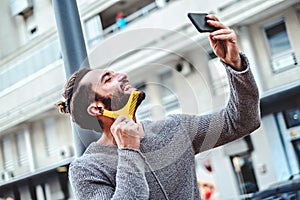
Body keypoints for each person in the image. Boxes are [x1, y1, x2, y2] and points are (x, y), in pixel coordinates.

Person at [56, 15, 261, 199]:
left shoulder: (174, 127)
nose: (122, 75)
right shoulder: (87, 168)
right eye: (108, 79)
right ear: (97, 109)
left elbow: (242, 121)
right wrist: (129, 150)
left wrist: (236, 66)